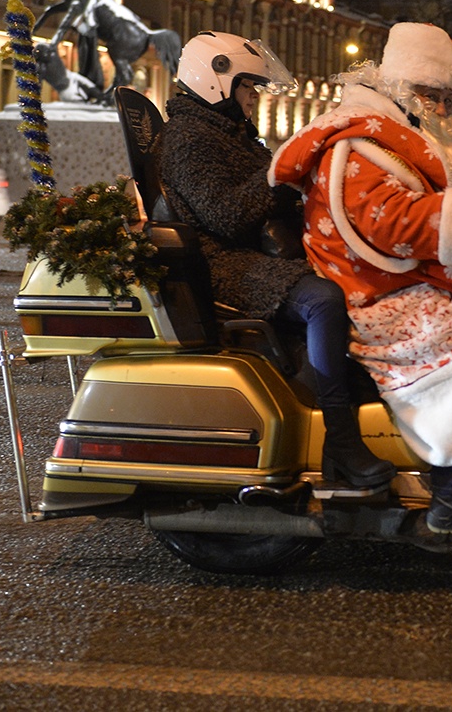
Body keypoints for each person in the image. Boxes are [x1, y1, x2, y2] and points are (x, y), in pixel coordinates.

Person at [271, 22, 452, 536]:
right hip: (374, 293)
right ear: (401, 88)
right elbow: (393, 221)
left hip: (391, 280)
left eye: (449, 98)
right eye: (433, 96)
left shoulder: (397, 135)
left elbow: (442, 194)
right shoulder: (358, 142)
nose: (444, 111)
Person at [156, 31, 395, 490]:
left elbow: (275, 190)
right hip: (224, 264)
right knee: (323, 299)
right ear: (216, 79)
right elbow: (227, 215)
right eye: (248, 88)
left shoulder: (228, 131)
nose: (252, 99)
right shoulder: (188, 138)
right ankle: (341, 441)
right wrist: (282, 171)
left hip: (253, 251)